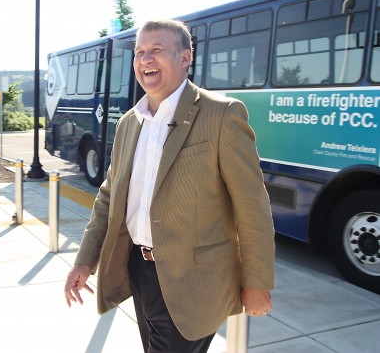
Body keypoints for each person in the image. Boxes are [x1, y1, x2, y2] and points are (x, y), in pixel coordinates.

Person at [64, 19, 275, 352]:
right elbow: (109, 197)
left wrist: (257, 283)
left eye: (157, 50)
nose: (146, 59)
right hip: (139, 269)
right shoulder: (129, 123)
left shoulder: (222, 115)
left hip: (193, 281)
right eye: (140, 52)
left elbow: (253, 208)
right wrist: (85, 260)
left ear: (185, 58)